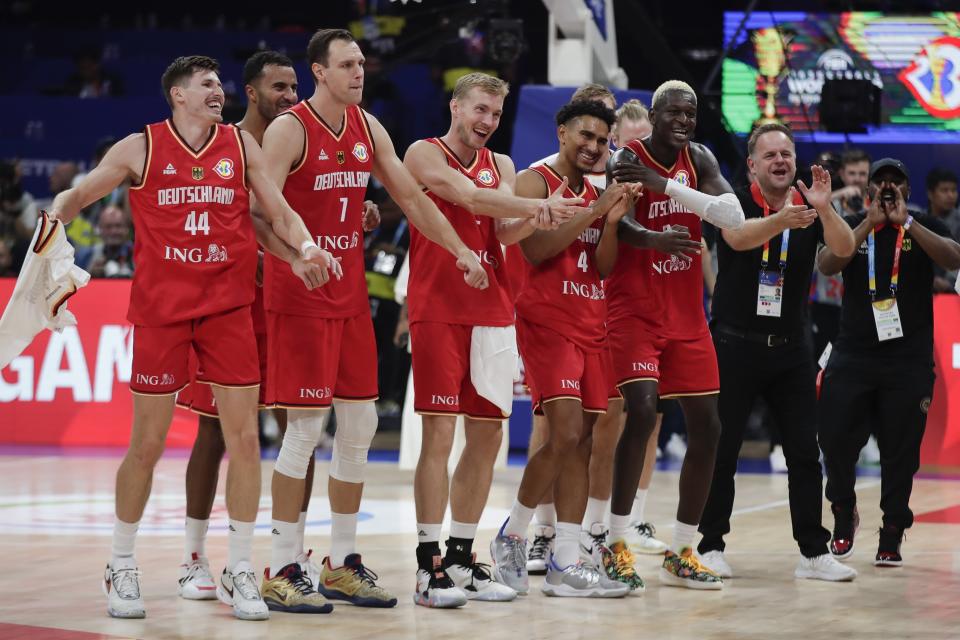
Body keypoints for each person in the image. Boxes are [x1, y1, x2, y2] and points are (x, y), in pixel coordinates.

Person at [47, 54, 340, 621]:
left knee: (245, 439)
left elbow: (278, 212)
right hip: (163, 313)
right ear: (177, 94)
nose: (217, 92)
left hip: (228, 309)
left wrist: (305, 248)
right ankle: (122, 562)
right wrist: (48, 234)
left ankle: (238, 568)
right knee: (147, 445)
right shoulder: (142, 147)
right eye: (206, 85)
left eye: (219, 85)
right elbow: (76, 198)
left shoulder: (240, 145)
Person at [258, 29, 489, 613]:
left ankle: (339, 561)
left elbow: (413, 199)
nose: (360, 72)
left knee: (359, 427)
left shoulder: (367, 126)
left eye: (362, 63)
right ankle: (283, 564)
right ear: (319, 71)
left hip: (351, 298)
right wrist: (296, 255)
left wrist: (460, 249)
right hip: (302, 297)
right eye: (348, 64)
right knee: (305, 431)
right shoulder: (291, 129)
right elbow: (258, 212)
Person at [402, 72, 585, 607]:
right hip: (438, 309)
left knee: (485, 439)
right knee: (439, 439)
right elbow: (468, 199)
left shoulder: (503, 165)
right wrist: (535, 205)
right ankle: (427, 564)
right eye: (479, 110)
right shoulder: (422, 153)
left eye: (496, 115)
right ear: (456, 107)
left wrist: (541, 215)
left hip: (492, 311)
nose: (487, 122)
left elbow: (502, 232)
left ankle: (461, 557)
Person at [173, 50, 312, 603]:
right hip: (233, 305)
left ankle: (289, 557)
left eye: (295, 86)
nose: (290, 96)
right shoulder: (220, 141)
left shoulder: (301, 140)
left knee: (298, 427)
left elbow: (301, 216)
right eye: (279, 87)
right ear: (250, 93)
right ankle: (192, 555)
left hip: (293, 303)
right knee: (214, 430)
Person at [696, 122, 857, 582]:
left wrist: (825, 211)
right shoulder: (734, 201)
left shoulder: (810, 205)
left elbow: (843, 251)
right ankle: (710, 545)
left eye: (787, 153)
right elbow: (737, 238)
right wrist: (781, 220)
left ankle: (813, 552)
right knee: (722, 449)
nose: (781, 161)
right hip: (734, 344)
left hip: (791, 349)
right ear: (752, 164)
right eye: (770, 155)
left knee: (805, 452)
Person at [606, 79, 745, 590]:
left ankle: (684, 547)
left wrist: (664, 187)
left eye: (691, 114)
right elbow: (615, 225)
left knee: (709, 426)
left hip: (687, 316)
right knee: (642, 412)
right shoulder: (626, 157)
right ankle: (616, 541)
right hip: (636, 310)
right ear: (657, 113)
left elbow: (732, 215)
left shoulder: (699, 157)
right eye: (675, 113)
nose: (684, 121)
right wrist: (653, 236)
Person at [817, 158, 960, 567]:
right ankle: (844, 514)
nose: (887, 187)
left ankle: (893, 529)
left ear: (907, 191)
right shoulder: (854, 225)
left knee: (901, 452)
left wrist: (906, 224)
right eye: (880, 182)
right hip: (854, 353)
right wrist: (868, 223)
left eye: (895, 182)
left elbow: (953, 259)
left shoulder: (922, 224)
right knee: (836, 440)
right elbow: (827, 264)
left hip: (907, 358)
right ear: (869, 190)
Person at [925, 168, 959, 292]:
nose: (951, 195)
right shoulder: (918, 222)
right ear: (930, 194)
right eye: (944, 190)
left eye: (954, 190)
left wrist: (949, 281)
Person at [83, 205, 134, 278]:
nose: (113, 231)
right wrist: (91, 275)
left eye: (118, 226)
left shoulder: (139, 254)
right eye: (108, 226)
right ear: (100, 229)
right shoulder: (87, 255)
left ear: (127, 228)